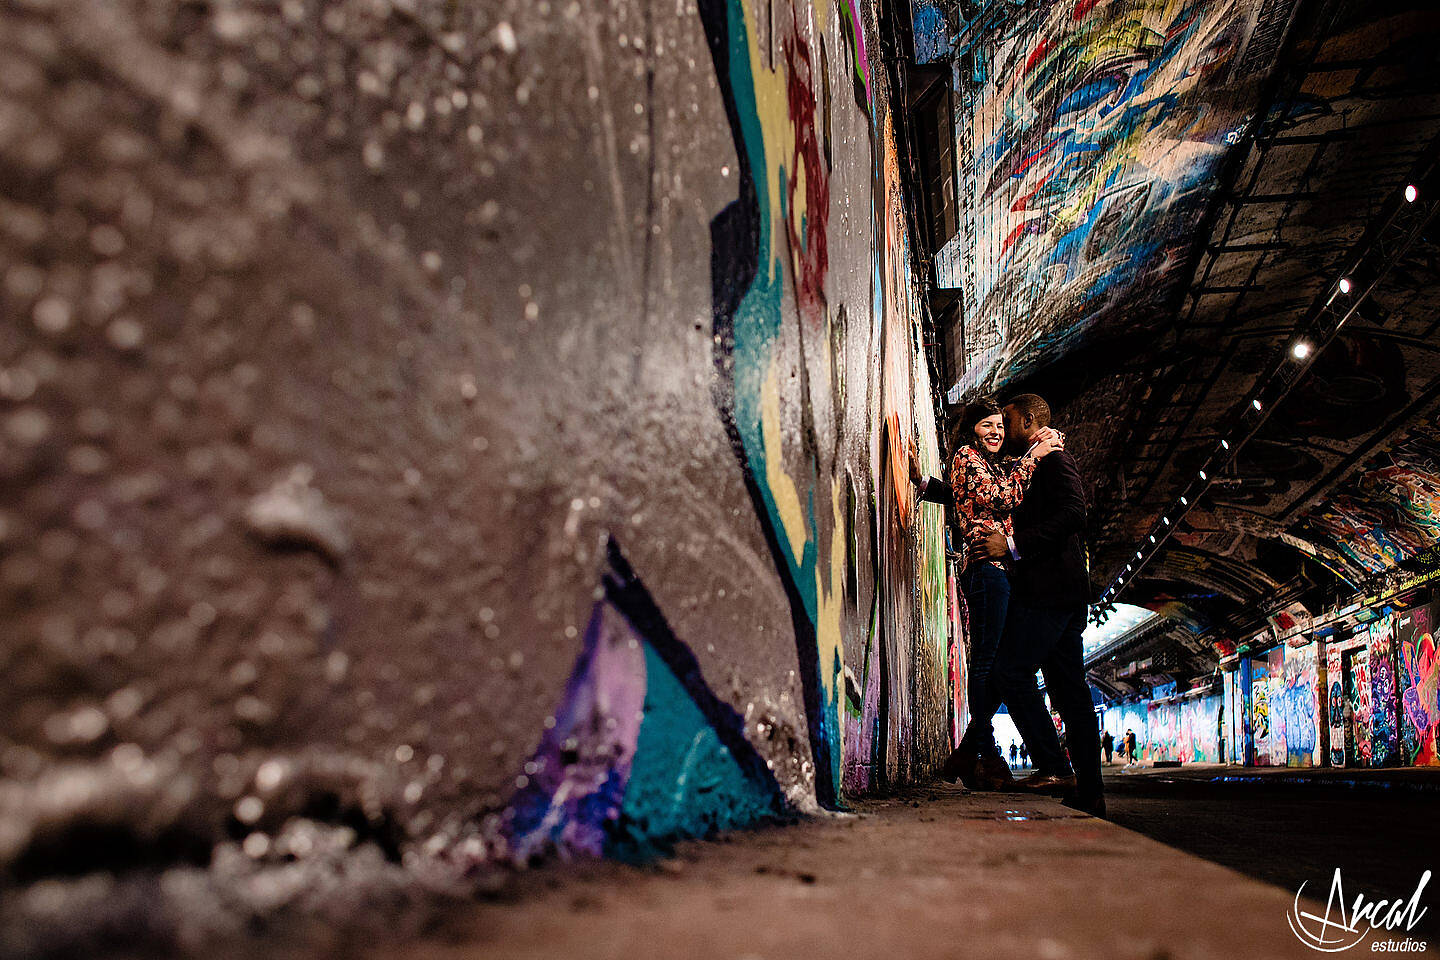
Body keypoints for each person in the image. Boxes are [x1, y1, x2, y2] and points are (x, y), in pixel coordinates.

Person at [915, 396, 1064, 790]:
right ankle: (986, 753)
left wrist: (1043, 443)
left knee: (997, 665)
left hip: (1000, 573)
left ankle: (970, 752)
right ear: (972, 430)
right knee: (985, 663)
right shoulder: (967, 455)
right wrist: (1035, 457)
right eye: (988, 425)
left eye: (1000, 425)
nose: (997, 431)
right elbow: (1001, 497)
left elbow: (964, 493)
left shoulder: (990, 464)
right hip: (985, 571)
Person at [971, 394, 1106, 818]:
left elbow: (1075, 513)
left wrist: (1012, 545)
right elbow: (988, 495)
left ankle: (1055, 767)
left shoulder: (1054, 460)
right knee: (1069, 693)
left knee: (1009, 671)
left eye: (1008, 420)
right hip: (1058, 594)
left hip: (1052, 592)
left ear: (1028, 420)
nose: (1002, 426)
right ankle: (1090, 792)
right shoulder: (1032, 461)